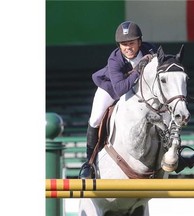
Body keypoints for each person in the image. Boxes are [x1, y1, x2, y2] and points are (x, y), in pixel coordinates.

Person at [79, 21, 158, 178]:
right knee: (95, 119)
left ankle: (175, 151)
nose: (127, 48)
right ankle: (90, 163)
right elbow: (121, 89)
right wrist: (138, 69)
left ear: (139, 42)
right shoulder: (115, 60)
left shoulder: (151, 50)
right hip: (110, 88)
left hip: (139, 89)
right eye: (123, 44)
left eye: (131, 43)